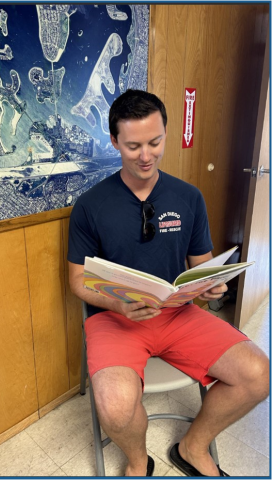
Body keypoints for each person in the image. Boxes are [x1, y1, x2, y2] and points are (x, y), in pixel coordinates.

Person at [67, 89, 269, 477]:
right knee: (114, 406)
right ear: (114, 141)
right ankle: (139, 463)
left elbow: (201, 264)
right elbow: (78, 281)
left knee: (259, 375)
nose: (146, 155)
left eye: (155, 142)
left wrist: (214, 288)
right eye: (133, 146)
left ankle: (192, 448)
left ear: (165, 133)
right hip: (115, 319)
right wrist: (118, 305)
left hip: (177, 314)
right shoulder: (91, 205)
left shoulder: (188, 197)